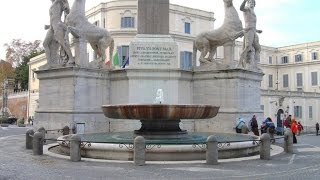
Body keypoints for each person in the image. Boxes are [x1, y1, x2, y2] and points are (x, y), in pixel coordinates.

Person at [43, 0, 74, 66]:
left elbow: (67, 11)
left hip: (57, 25)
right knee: (45, 44)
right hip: (52, 26)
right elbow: (52, 17)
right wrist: (48, 26)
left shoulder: (59, 1)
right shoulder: (53, 4)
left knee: (62, 42)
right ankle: (50, 63)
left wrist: (66, 6)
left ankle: (71, 58)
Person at [237, 0, 262, 69]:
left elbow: (253, 24)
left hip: (253, 31)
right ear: (248, 3)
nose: (251, 3)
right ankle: (239, 64)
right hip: (248, 31)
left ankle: (254, 65)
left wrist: (257, 30)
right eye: (250, 2)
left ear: (254, 4)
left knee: (258, 48)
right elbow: (241, 8)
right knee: (247, 47)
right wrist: (244, 1)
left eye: (253, 3)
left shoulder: (253, 12)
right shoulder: (247, 9)